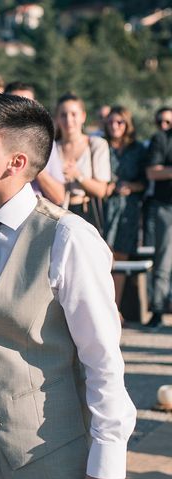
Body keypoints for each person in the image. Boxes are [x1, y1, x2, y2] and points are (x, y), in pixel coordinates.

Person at [0, 94, 136, 479]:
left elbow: (102, 362)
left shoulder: (68, 238)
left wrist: (105, 468)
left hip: (56, 456)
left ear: (15, 163)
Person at [103, 106, 147, 320]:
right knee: (102, 256)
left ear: (127, 124)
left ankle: (114, 308)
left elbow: (145, 182)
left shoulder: (137, 149)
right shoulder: (101, 146)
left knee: (120, 257)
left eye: (119, 122)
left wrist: (130, 186)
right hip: (103, 207)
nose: (114, 126)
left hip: (127, 209)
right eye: (111, 122)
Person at [55, 92, 111, 231]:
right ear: (57, 118)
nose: (68, 120)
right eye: (63, 115)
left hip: (87, 213)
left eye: (73, 114)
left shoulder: (97, 145)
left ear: (83, 116)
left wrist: (78, 176)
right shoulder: (51, 148)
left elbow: (101, 190)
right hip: (57, 215)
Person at [4, 81, 66, 205]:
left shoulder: (46, 143)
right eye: (16, 104)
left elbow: (59, 197)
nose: (23, 110)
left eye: (28, 104)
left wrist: (34, 159)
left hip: (36, 215)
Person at [146, 119, 172, 330]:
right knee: (163, 263)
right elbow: (152, 172)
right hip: (167, 208)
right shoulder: (162, 138)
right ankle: (157, 312)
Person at [142, 106, 172, 247]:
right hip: (164, 205)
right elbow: (152, 172)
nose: (163, 125)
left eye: (167, 122)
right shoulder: (159, 139)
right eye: (159, 122)